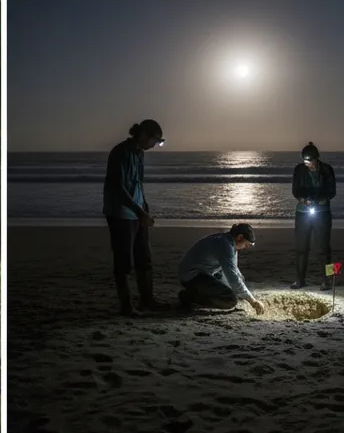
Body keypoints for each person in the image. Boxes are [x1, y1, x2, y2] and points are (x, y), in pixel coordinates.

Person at [102, 119, 168, 316]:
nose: (154, 145)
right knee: (123, 261)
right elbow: (118, 187)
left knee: (144, 258)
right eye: (155, 141)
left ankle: (147, 299)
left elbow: (138, 183)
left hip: (137, 211)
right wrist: (140, 211)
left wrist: (144, 207)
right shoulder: (120, 152)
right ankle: (126, 306)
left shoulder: (139, 154)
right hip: (120, 213)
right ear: (144, 135)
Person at [177, 223, 265, 314]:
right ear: (239, 237)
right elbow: (233, 277)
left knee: (235, 287)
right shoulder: (225, 246)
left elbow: (235, 272)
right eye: (246, 244)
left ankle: (196, 293)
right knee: (230, 300)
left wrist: (244, 294)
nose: (246, 247)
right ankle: (189, 298)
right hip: (192, 276)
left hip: (208, 272)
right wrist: (252, 301)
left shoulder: (228, 241)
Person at [290, 142, 337, 291]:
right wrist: (304, 199)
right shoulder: (299, 169)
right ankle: (300, 279)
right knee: (301, 248)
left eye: (310, 161)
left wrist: (318, 199)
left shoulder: (327, 170)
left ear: (317, 158)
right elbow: (296, 190)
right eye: (305, 161)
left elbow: (331, 191)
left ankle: (327, 279)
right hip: (303, 213)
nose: (308, 164)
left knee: (324, 248)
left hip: (322, 213)